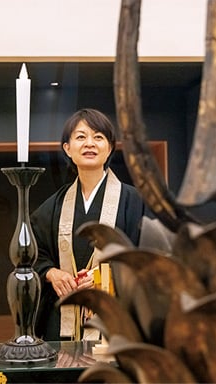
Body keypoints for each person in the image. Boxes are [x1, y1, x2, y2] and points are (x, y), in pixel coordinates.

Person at [31, 108, 151, 341]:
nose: (90, 144)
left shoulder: (135, 201)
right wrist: (51, 274)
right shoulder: (53, 206)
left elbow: (149, 256)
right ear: (67, 148)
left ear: (109, 148)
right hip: (63, 320)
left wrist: (107, 277)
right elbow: (32, 255)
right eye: (81, 137)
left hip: (118, 318)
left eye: (98, 137)